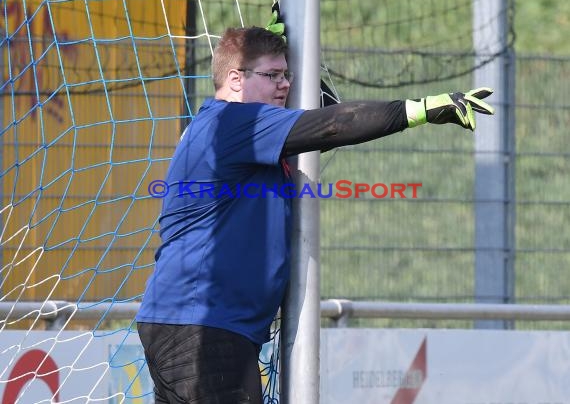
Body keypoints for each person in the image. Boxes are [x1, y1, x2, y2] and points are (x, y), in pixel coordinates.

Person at [135, 26, 494, 403]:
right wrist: (421, 110)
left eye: (287, 75)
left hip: (197, 324)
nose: (285, 85)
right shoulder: (232, 123)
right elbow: (335, 123)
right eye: (272, 75)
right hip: (201, 325)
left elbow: (322, 108)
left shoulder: (253, 131)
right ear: (236, 79)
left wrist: (290, 35)